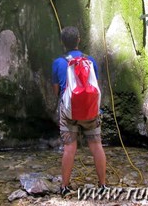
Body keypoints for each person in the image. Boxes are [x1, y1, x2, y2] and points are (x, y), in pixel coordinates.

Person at [52, 26, 107, 197]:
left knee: (69, 147)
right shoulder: (90, 61)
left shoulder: (58, 63)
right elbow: (94, 86)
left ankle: (65, 186)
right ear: (79, 40)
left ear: (62, 42)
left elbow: (57, 92)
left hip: (69, 112)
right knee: (96, 145)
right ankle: (103, 185)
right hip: (90, 111)